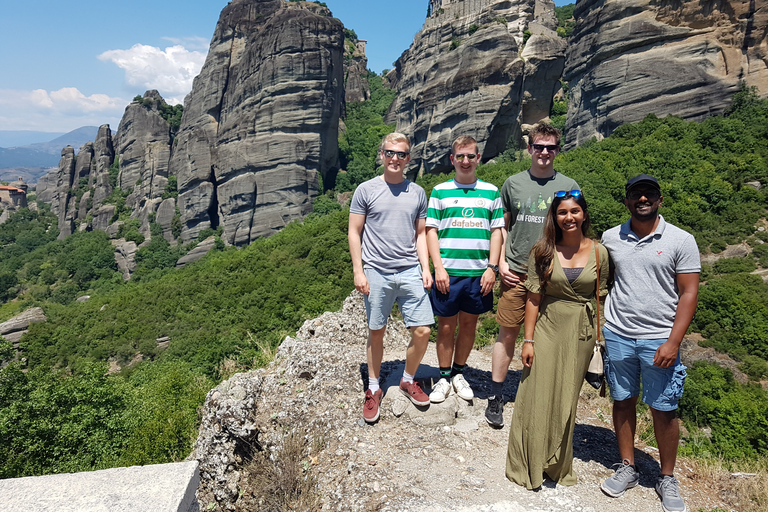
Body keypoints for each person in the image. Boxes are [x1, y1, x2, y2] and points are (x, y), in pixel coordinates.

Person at [600, 174, 699, 512]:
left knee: (664, 408)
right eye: (635, 194)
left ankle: (667, 477)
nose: (642, 199)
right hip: (618, 333)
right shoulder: (611, 237)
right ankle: (627, 466)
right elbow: (603, 281)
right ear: (626, 201)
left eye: (649, 194)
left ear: (660, 200)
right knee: (623, 400)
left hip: (660, 337)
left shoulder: (681, 240)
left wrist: (673, 342)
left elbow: (689, 292)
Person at [505, 190, 609, 489]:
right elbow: (533, 298)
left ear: (584, 214)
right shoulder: (544, 251)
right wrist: (528, 340)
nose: (569, 217)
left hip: (582, 332)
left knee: (567, 398)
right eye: (562, 212)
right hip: (547, 328)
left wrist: (602, 339)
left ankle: (557, 464)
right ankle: (528, 463)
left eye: (575, 211)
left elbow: (601, 297)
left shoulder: (599, 252)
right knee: (535, 393)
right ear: (555, 217)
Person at [485, 123, 580, 428]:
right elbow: (502, 227)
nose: (544, 153)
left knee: (548, 338)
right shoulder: (512, 184)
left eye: (550, 147)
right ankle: (496, 396)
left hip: (551, 272)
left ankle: (541, 399)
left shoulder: (568, 185)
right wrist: (499, 263)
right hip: (515, 270)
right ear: (529, 149)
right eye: (539, 146)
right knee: (508, 332)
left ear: (557, 150)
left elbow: (574, 228)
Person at [348, 132, 435, 423]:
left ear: (408, 158)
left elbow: (420, 234)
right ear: (381, 154)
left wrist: (425, 269)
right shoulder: (366, 189)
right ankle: (373, 388)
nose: (395, 159)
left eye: (401, 154)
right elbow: (354, 232)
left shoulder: (418, 192)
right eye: (390, 153)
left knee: (422, 330)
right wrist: (359, 271)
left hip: (409, 269)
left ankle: (408, 379)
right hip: (376, 271)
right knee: (377, 331)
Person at [426, 136, 504, 403]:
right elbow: (431, 232)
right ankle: (444, 377)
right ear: (452, 159)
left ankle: (458, 373)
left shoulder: (492, 192)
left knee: (469, 324)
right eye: (460, 156)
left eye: (470, 156)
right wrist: (438, 268)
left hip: (478, 272)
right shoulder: (439, 191)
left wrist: (492, 268)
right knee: (446, 327)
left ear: (478, 158)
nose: (466, 161)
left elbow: (497, 233)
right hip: (448, 271)